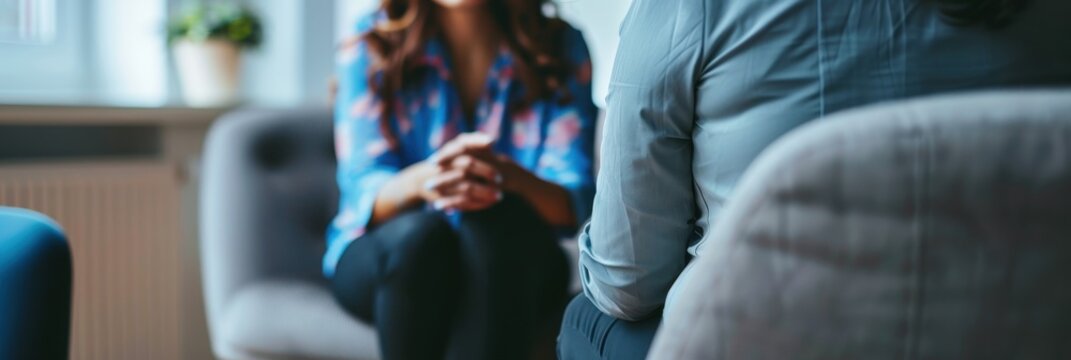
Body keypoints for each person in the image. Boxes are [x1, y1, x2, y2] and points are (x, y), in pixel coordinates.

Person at [557, 0, 1071, 359]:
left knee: (585, 321)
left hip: (770, 340)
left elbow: (627, 282)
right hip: (1011, 335)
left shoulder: (693, 8)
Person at [325, 0, 597, 359]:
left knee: (494, 226)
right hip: (394, 253)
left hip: (512, 254)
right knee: (421, 239)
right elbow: (363, 186)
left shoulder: (560, 46)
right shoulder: (370, 42)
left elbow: (571, 203)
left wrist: (503, 176)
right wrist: (428, 179)